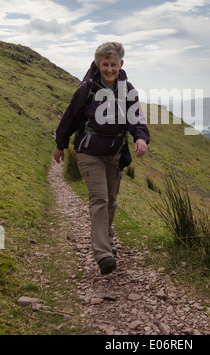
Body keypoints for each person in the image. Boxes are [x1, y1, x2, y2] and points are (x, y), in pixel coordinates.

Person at [53, 42, 150, 275]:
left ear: (121, 64)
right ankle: (103, 254)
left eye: (113, 64)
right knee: (100, 200)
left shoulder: (127, 89)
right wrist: (61, 144)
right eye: (105, 64)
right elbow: (71, 116)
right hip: (88, 152)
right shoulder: (87, 88)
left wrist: (141, 138)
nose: (109, 69)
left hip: (115, 152)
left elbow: (136, 118)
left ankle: (106, 238)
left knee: (112, 200)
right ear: (98, 64)